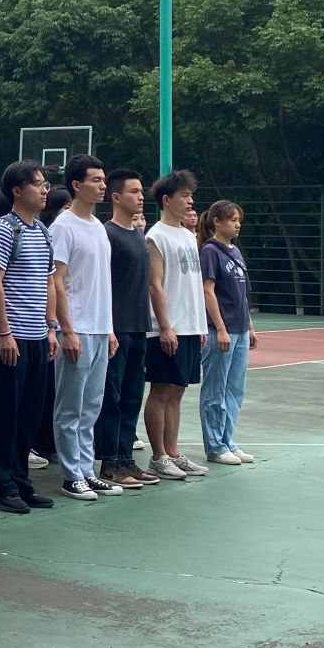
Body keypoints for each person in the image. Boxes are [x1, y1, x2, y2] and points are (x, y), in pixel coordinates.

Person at [0, 161, 57, 513]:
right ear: (17, 191)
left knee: (30, 413)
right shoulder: (3, 230)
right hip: (12, 337)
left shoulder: (41, 231)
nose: (44, 190)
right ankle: (1, 486)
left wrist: (51, 327)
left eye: (45, 184)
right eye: (37, 184)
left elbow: (48, 280)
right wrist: (4, 332)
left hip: (38, 336)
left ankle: (21, 481)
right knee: (6, 413)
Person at [49, 156, 122, 500]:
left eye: (104, 179)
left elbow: (102, 282)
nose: (102, 185)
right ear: (77, 185)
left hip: (99, 328)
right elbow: (56, 280)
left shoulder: (98, 227)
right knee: (70, 407)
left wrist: (109, 328)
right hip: (76, 329)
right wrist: (67, 329)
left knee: (92, 405)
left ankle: (86, 470)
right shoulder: (63, 227)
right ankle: (70, 476)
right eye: (96, 180)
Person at [145, 169, 211, 481]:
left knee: (177, 391)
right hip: (167, 328)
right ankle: (158, 456)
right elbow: (155, 284)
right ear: (166, 200)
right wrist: (165, 326)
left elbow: (192, 285)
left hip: (190, 326)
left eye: (191, 195)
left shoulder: (188, 235)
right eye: (184, 195)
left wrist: (200, 325)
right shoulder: (155, 236)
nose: (190, 201)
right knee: (160, 390)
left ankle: (173, 452)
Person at [97, 169, 156, 489]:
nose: (141, 196)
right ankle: (110, 461)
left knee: (133, 394)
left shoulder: (137, 234)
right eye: (134, 191)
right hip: (116, 328)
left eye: (141, 191)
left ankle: (126, 457)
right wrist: (109, 327)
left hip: (138, 326)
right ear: (116, 197)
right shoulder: (108, 234)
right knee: (113, 395)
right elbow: (104, 285)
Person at [198, 199, 257, 467]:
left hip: (240, 329)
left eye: (238, 221)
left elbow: (242, 294)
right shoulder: (210, 251)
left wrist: (250, 326)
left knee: (234, 390)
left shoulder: (236, 251)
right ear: (217, 222)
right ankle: (215, 445)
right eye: (232, 220)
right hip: (221, 331)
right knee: (215, 390)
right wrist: (220, 328)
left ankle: (227, 440)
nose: (237, 225)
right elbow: (207, 291)